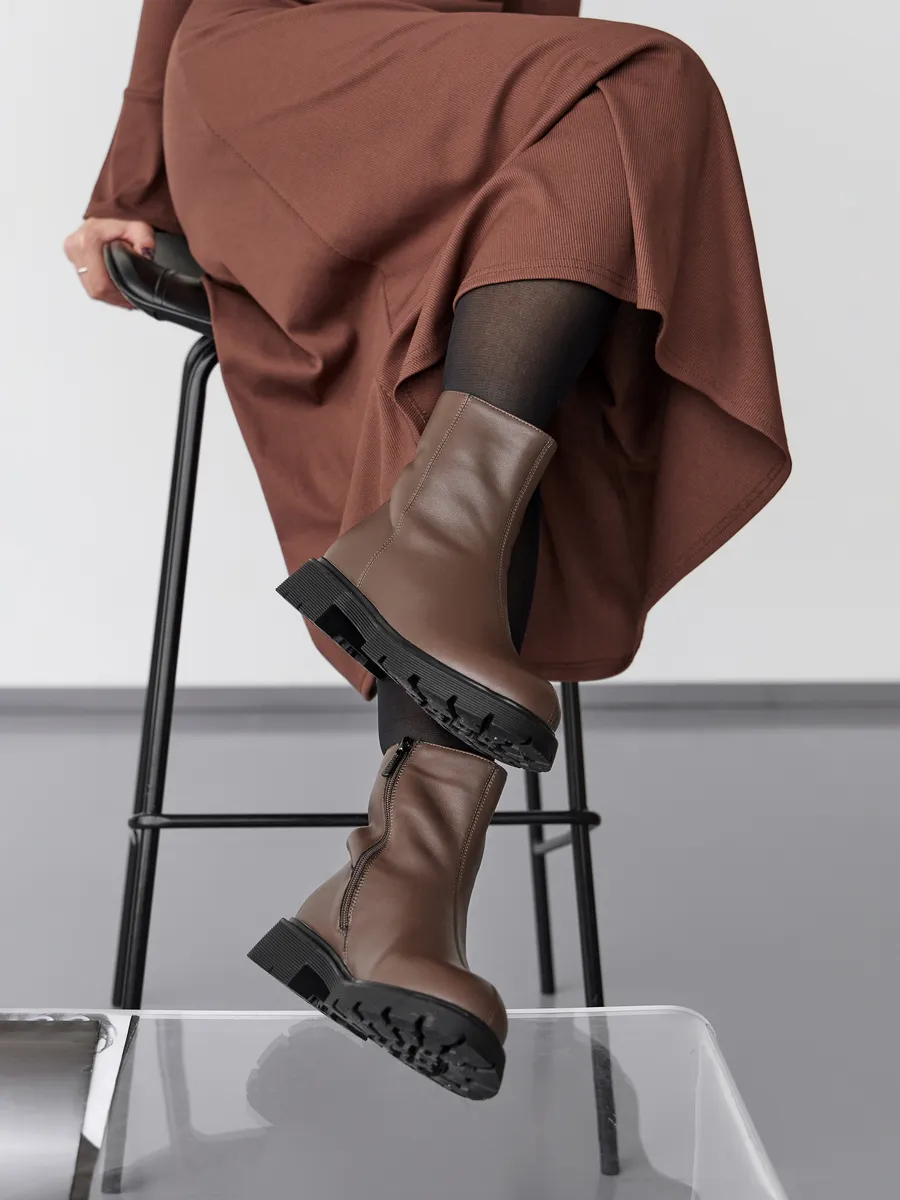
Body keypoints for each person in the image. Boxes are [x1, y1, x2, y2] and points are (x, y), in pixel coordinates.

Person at [64, 0, 791, 1100]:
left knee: (529, 284)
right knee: (639, 84)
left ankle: (398, 888)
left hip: (456, 103)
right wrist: (129, 185)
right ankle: (426, 565)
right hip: (273, 80)